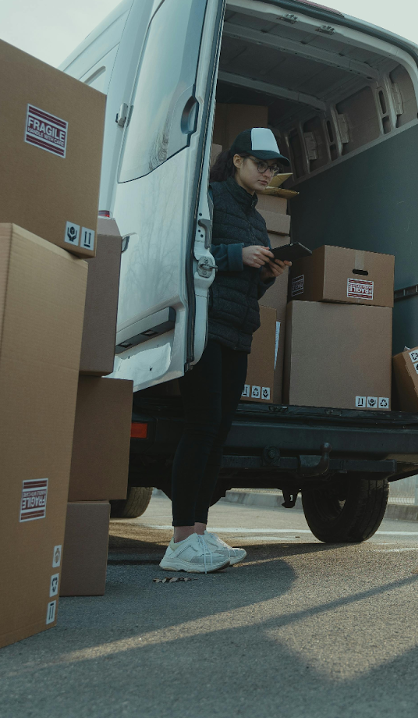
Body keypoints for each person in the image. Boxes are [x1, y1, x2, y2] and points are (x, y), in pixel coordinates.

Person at [160, 127, 293, 573]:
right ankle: (180, 542)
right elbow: (184, 254)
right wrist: (238, 255)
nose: (267, 173)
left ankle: (198, 534)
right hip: (205, 328)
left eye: (272, 168)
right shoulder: (210, 199)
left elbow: (248, 289)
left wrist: (267, 273)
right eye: (260, 164)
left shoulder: (257, 220)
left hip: (238, 333)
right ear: (237, 160)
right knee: (200, 428)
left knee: (218, 433)